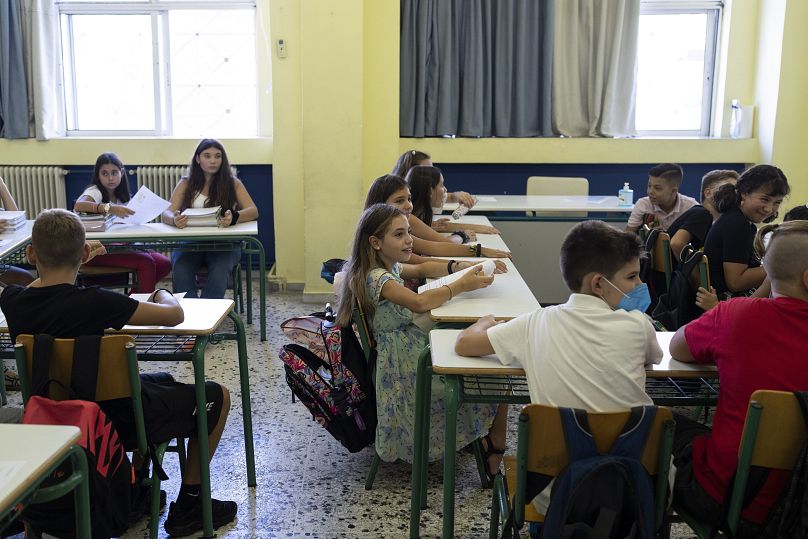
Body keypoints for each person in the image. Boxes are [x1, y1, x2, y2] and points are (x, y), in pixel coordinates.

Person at [0, 209, 237, 537]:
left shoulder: (14, 302)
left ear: (30, 254)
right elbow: (174, 315)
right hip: (118, 422)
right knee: (216, 396)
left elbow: (45, 292)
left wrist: (71, 263)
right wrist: (162, 293)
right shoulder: (98, 302)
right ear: (84, 254)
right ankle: (191, 504)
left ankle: (136, 490)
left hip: (53, 419)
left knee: (162, 382)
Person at [455, 220, 662, 514]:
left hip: (553, 492)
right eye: (632, 277)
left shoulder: (535, 322)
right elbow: (651, 358)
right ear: (599, 283)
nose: (640, 286)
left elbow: (464, 344)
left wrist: (485, 321)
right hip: (636, 485)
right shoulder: (638, 325)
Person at [334, 203, 509, 478]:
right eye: (400, 234)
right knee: (489, 362)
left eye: (408, 232)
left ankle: (489, 439)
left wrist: (462, 268)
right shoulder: (376, 277)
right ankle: (493, 442)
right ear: (376, 242)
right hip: (406, 363)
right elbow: (418, 302)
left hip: (407, 347)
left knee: (477, 342)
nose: (409, 240)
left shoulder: (385, 268)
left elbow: (423, 267)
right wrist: (460, 285)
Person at [668, 219, 808, 537]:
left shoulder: (736, 315)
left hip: (733, 497)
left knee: (657, 423)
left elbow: (678, 348)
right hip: (799, 508)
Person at [161, 139, 258, 298]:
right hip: (191, 241)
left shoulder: (232, 182)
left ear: (222, 159)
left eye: (217, 156)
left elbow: (253, 211)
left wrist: (234, 217)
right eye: (207, 156)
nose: (213, 160)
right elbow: (167, 213)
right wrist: (174, 219)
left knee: (220, 268)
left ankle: (210, 314)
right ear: (198, 159)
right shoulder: (186, 183)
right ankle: (188, 313)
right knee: (181, 268)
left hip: (225, 242)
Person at [74, 152, 171, 293]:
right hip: (94, 251)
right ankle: (144, 309)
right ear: (98, 175)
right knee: (146, 262)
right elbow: (79, 205)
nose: (110, 178)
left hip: (118, 245)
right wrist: (109, 208)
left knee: (164, 264)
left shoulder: (122, 196)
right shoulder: (95, 191)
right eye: (104, 174)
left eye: (114, 173)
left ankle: (133, 301)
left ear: (122, 172)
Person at [365, 175, 510, 259]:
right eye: (399, 201)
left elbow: (434, 248)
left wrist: (478, 251)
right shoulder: (390, 234)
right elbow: (431, 254)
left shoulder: (401, 222)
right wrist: (476, 249)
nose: (409, 205)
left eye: (409, 199)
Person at [703, 164, 789, 299]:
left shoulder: (742, 221)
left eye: (777, 202)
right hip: (723, 302)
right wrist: (778, 266)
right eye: (765, 199)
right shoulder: (737, 223)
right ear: (744, 193)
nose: (769, 209)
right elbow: (736, 282)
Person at [405, 165, 500, 238]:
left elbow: (444, 227)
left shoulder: (418, 213)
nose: (445, 189)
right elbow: (444, 243)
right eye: (442, 185)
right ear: (430, 191)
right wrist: (463, 236)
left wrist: (479, 228)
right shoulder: (410, 219)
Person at [666, 169, 740, 262]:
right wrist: (697, 274)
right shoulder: (702, 215)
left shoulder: (703, 214)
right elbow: (676, 243)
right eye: (727, 189)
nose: (732, 195)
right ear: (708, 193)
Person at [392, 149, 478, 209]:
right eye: (426, 170)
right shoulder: (401, 201)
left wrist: (458, 195)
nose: (432, 173)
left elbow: (450, 197)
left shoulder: (420, 194)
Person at [626, 163, 698, 233]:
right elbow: (628, 237)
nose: (650, 191)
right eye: (649, 186)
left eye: (657, 188)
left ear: (673, 191)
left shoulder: (691, 207)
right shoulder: (643, 205)